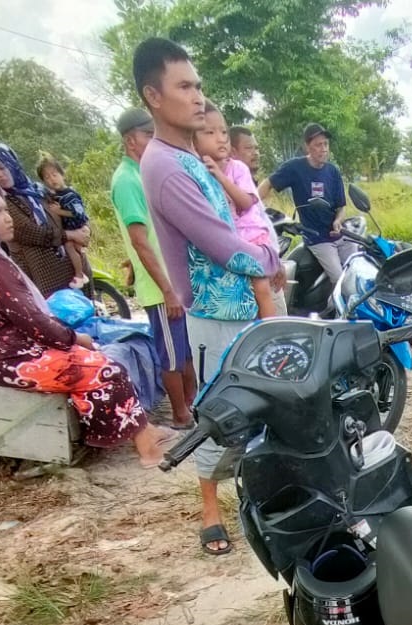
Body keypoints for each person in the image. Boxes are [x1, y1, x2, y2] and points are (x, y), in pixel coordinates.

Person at [134, 36, 275, 556]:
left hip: (238, 309)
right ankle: (210, 511)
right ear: (154, 95)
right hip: (216, 314)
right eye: (184, 86)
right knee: (220, 413)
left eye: (199, 86)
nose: (197, 96)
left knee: (259, 408)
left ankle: (258, 499)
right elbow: (224, 246)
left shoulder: (188, 156)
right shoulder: (165, 166)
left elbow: (236, 219)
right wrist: (268, 266)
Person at [0, 176, 172, 466]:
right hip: (16, 359)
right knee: (106, 369)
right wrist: (73, 338)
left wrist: (71, 341)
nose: (8, 217)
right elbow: (31, 319)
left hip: (13, 352)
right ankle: (146, 448)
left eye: (5, 209)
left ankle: (144, 432)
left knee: (94, 357)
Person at [111, 106, 197, 428]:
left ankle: (191, 404)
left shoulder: (145, 173)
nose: (154, 141)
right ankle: (179, 414)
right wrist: (167, 289)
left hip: (173, 281)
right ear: (131, 141)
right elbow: (140, 240)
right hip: (161, 287)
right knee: (171, 355)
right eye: (149, 135)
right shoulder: (127, 180)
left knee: (186, 350)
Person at [194, 104, 277, 320]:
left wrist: (220, 177)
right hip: (228, 242)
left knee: (261, 288)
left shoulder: (237, 169)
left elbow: (246, 202)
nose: (220, 138)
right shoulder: (195, 171)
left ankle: (271, 336)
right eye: (210, 133)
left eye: (223, 132)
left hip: (250, 236)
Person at [0, 142, 76, 295]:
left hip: (69, 269)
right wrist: (70, 235)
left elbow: (67, 214)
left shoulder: (39, 190)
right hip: (41, 276)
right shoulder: (3, 201)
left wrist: (82, 228)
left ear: (13, 164)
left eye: (2, 167)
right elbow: (31, 232)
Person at [268, 122, 349, 289]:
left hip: (339, 235)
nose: (323, 148)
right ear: (307, 147)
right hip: (317, 238)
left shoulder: (332, 171)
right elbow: (268, 183)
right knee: (340, 280)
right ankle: (334, 314)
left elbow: (341, 207)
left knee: (356, 273)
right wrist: (250, 206)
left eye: (326, 144)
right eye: (318, 145)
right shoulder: (295, 168)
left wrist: (338, 221)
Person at [224, 125, 286, 312]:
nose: (256, 153)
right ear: (232, 151)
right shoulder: (227, 185)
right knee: (275, 329)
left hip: (267, 260)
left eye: (257, 148)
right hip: (253, 265)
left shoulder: (249, 183)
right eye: (249, 148)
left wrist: (276, 260)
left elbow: (261, 225)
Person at [38, 153, 93, 289]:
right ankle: (81, 274)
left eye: (54, 174)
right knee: (74, 250)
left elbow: (78, 213)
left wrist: (59, 212)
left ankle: (79, 275)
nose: (52, 179)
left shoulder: (70, 194)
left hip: (76, 227)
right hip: (71, 229)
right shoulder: (56, 195)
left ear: (62, 175)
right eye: (47, 177)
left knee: (70, 247)